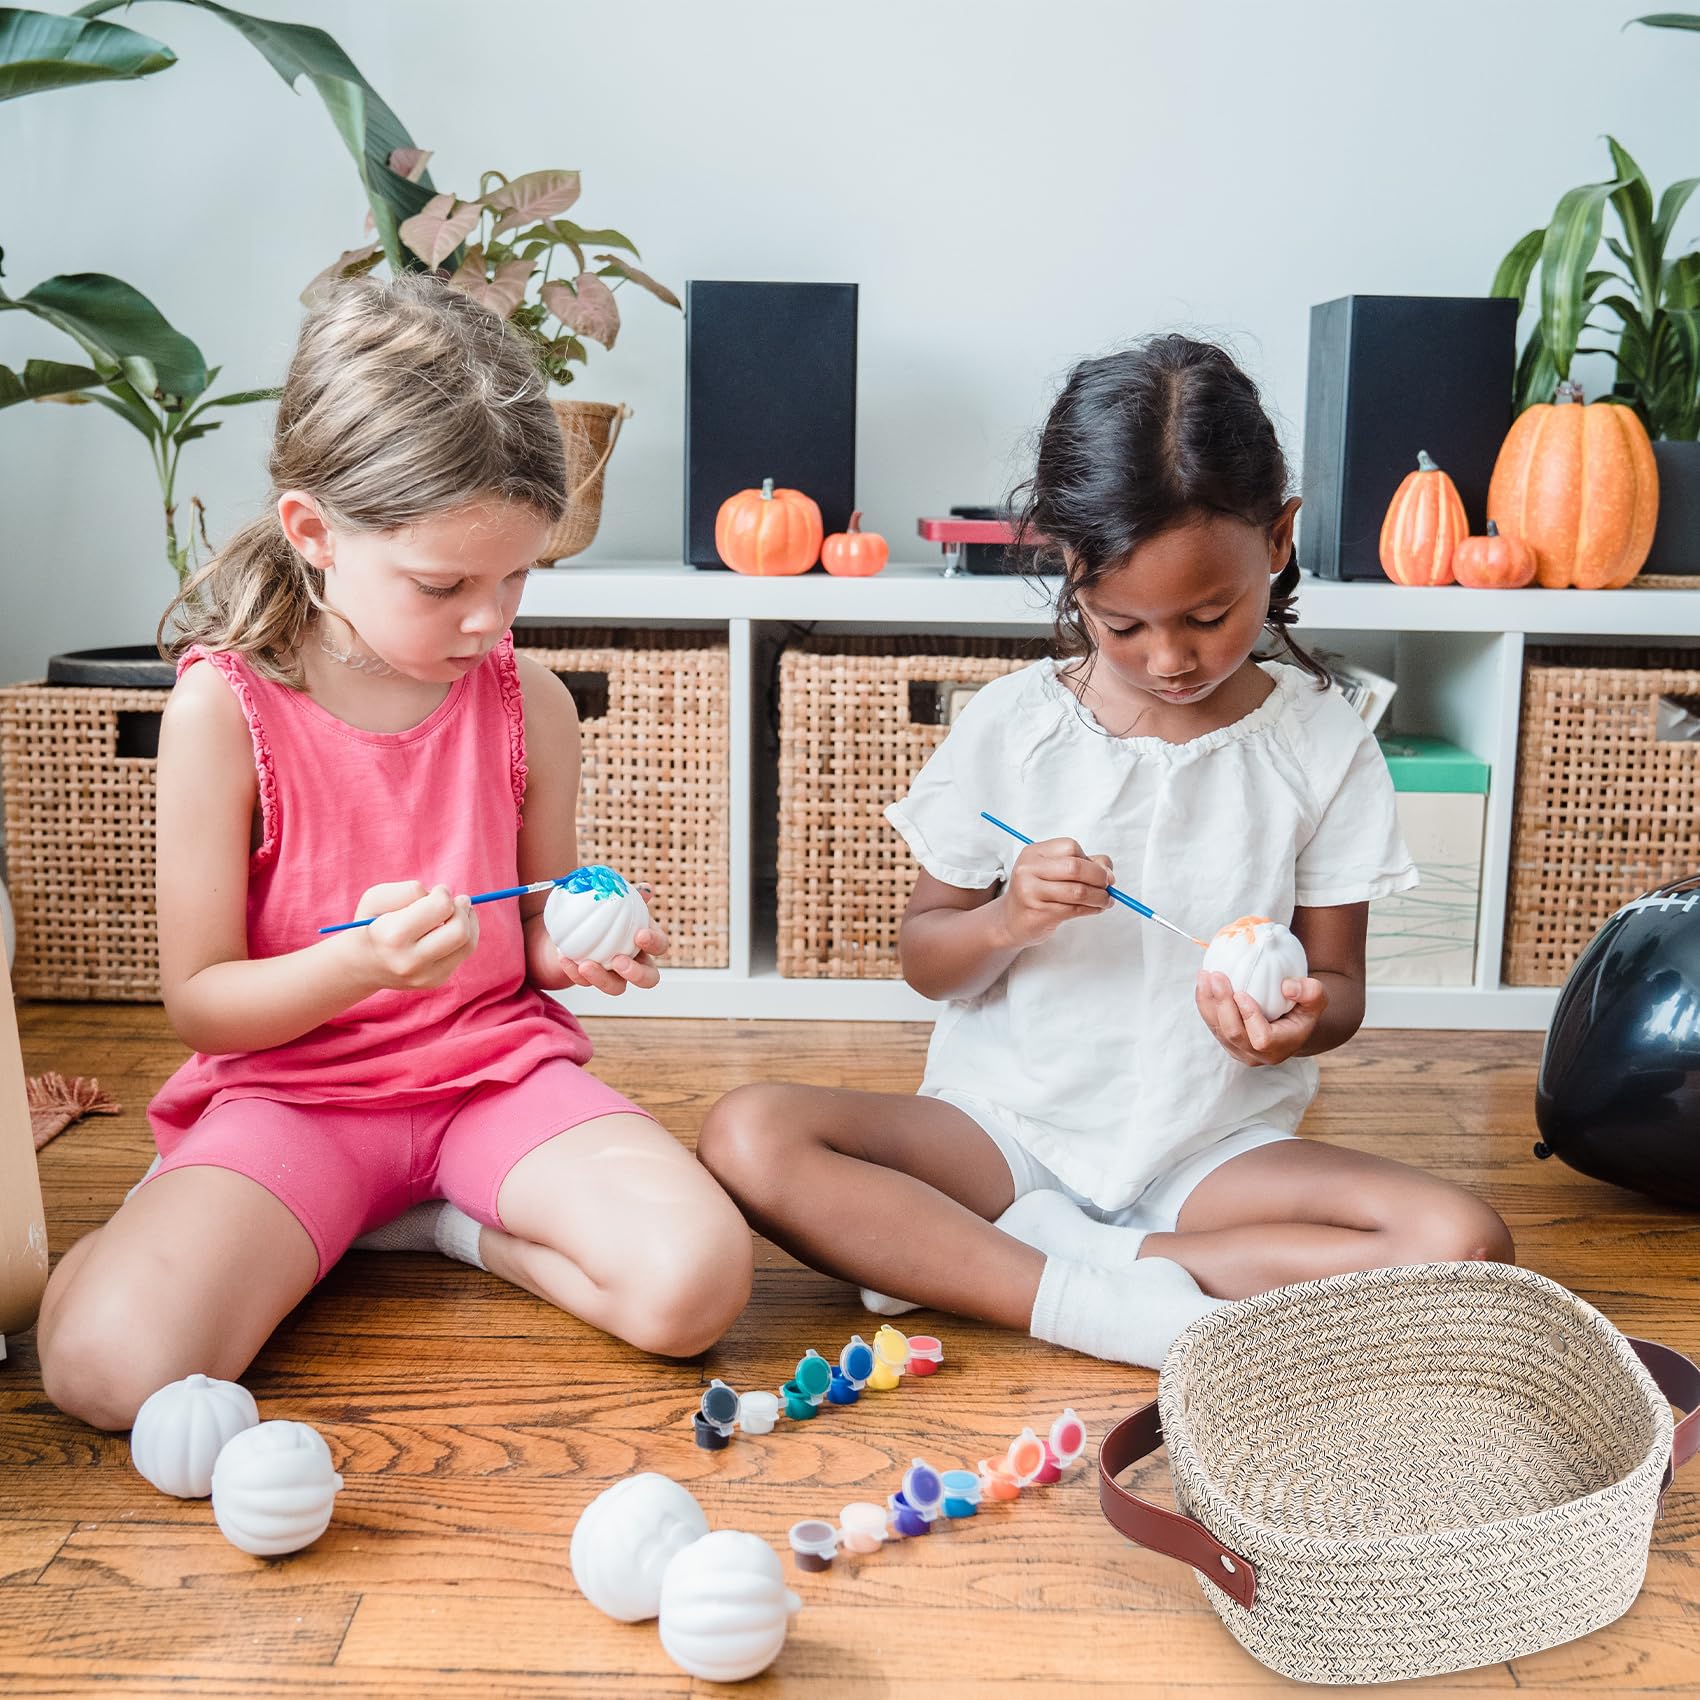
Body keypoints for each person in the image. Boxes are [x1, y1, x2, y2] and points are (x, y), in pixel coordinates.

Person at [699, 335, 1512, 1367]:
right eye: (1121, 622)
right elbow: (925, 957)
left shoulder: (1321, 740)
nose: (1168, 657)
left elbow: (1339, 985)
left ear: (1277, 539)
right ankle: (1086, 1298)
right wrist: (1004, 916)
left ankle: (1078, 1258)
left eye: (1207, 616)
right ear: (1064, 565)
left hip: (1212, 1148)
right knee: (748, 1134)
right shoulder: (1012, 726)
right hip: (1005, 1131)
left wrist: (1294, 1023)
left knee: (1461, 1242)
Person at [38, 276, 751, 1430]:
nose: (488, 620)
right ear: (314, 532)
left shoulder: (530, 701)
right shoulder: (225, 712)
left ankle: (451, 1227)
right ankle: (218, 1221)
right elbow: (203, 1004)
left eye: (517, 577)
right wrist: (359, 965)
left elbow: (525, 931)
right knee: (106, 1371)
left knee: (694, 1285)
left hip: (489, 1080)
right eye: (443, 585)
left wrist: (577, 945)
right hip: (294, 1098)